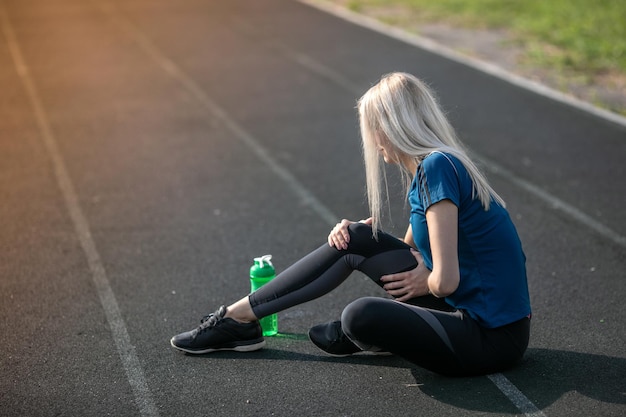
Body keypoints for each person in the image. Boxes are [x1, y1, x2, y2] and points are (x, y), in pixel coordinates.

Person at [170, 72, 531, 377]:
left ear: (391, 128)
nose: (374, 143)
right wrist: (354, 236)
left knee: (359, 314)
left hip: (492, 337)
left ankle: (362, 333)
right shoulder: (431, 169)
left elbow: (444, 280)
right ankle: (237, 319)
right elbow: (413, 252)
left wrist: (428, 277)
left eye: (374, 130)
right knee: (356, 237)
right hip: (465, 312)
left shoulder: (438, 168)